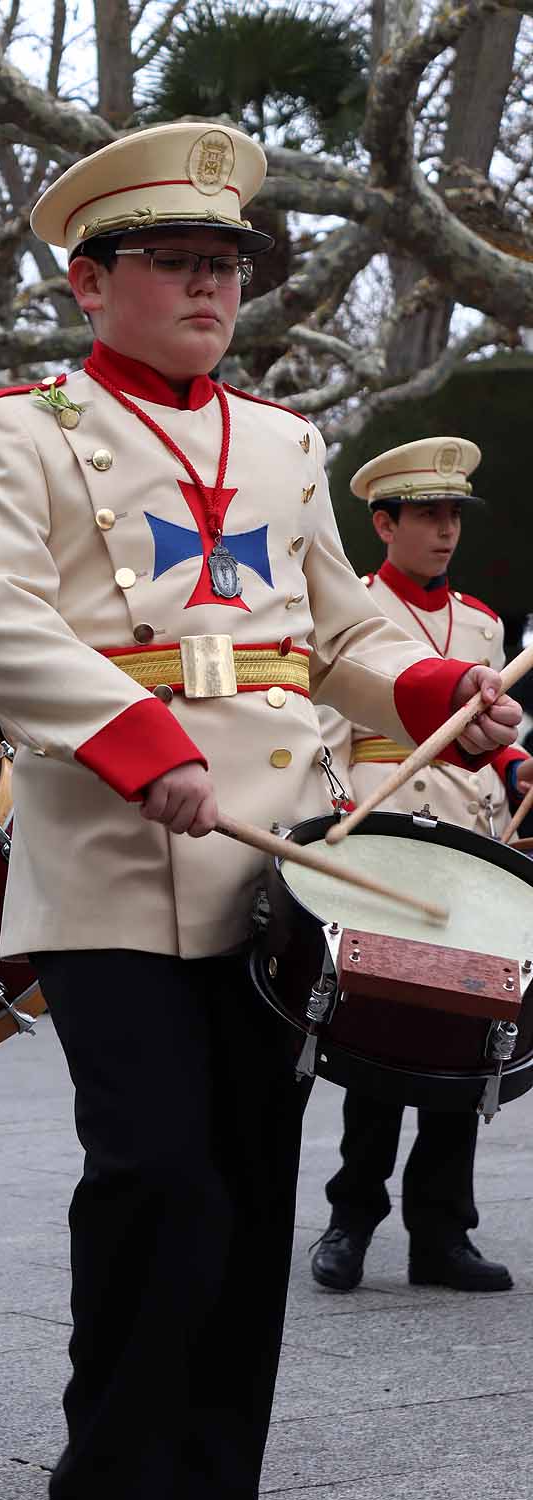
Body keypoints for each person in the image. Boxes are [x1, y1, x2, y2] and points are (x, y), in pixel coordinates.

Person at [0, 121, 523, 1500]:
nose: (210, 287)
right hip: (106, 860)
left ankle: (213, 1476)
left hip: (277, 869)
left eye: (228, 264)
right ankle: (113, 1472)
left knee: (253, 1191)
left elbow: (335, 637)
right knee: (154, 1177)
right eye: (175, 261)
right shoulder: (14, 429)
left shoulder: (280, 437)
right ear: (90, 282)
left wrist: (437, 681)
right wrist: (140, 743)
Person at [312, 437, 532, 1295]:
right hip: (387, 844)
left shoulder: (482, 619)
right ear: (382, 523)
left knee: (471, 1041)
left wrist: (516, 768)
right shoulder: (353, 608)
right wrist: (340, 820)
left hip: (475, 843)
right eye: (427, 515)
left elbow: (490, 736)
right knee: (383, 1037)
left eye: (454, 516)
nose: (445, 531)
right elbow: (326, 734)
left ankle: (442, 1232)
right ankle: (351, 1219)